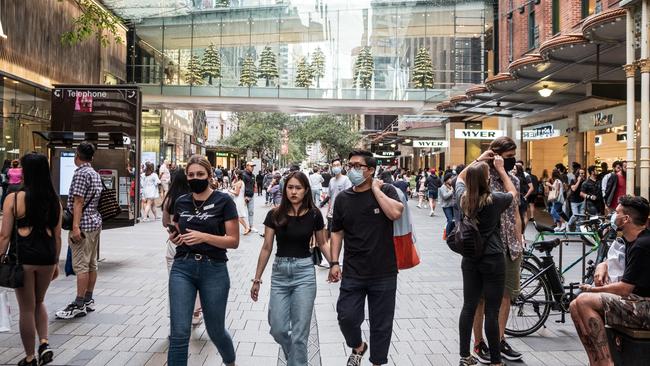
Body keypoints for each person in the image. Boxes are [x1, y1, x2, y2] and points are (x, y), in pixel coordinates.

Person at [328, 150, 404, 366]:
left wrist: (376, 190)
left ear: (370, 170)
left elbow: (395, 213)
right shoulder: (343, 198)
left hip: (384, 271)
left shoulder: (386, 189)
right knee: (346, 317)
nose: (351, 169)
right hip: (353, 271)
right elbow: (337, 232)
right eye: (349, 165)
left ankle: (377, 361)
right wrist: (334, 262)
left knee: (381, 325)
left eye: (357, 166)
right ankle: (358, 346)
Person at [250, 171, 331, 366]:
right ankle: (293, 356)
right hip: (280, 273)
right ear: (285, 189)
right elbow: (267, 247)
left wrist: (335, 264)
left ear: (305, 190)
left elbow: (322, 243)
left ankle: (296, 362)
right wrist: (257, 279)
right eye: (290, 187)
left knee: (300, 334)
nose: (294, 192)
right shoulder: (275, 214)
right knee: (277, 328)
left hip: (304, 273)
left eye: (298, 188)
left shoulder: (314, 214)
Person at [166, 155, 239, 366]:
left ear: (209, 175)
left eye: (200, 174)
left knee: (216, 330)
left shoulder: (223, 201)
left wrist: (204, 236)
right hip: (183, 267)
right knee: (179, 333)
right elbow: (179, 230)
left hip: (213, 269)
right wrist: (175, 236)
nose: (195, 178)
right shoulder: (182, 202)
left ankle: (230, 361)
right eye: (191, 175)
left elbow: (233, 241)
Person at [569, 195, 650, 366]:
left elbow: (624, 289)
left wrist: (591, 290)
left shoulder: (642, 244)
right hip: (636, 302)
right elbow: (615, 259)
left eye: (617, 212)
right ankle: (595, 361)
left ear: (626, 219)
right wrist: (602, 265)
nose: (613, 215)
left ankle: (606, 362)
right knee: (574, 306)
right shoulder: (630, 241)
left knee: (584, 300)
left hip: (645, 306)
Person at [455, 153, 517, 366]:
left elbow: (459, 179)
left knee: (469, 306)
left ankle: (465, 356)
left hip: (470, 259)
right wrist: (501, 169)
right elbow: (513, 193)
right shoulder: (495, 200)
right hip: (493, 259)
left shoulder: (462, 198)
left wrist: (478, 159)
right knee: (492, 309)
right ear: (487, 180)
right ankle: (496, 361)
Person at [0, 153, 61, 366]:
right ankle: (44, 343)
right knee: (39, 301)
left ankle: (29, 357)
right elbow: (57, 235)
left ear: (26, 171)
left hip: (24, 258)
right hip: (46, 256)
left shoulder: (13, 198)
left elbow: (5, 235)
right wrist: (55, 262)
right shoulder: (53, 199)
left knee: (26, 308)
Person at [472, 137, 524, 364]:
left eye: (513, 156)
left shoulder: (513, 178)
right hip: (487, 246)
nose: (512, 161)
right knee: (481, 299)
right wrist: (480, 160)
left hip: (511, 244)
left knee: (506, 296)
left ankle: (499, 339)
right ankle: (479, 342)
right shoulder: (481, 177)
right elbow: (461, 182)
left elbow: (515, 211)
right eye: (508, 156)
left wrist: (520, 238)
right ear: (496, 155)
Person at [56, 142, 103, 320]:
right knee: (91, 263)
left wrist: (75, 226)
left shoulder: (81, 174)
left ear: (77, 155)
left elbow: (78, 201)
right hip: (95, 223)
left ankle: (79, 303)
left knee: (81, 265)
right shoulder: (94, 173)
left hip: (83, 225)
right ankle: (88, 299)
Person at [161, 168, 203, 326]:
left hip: (173, 244)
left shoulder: (170, 199)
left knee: (175, 284)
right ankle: (194, 313)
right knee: (194, 282)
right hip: (192, 244)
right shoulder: (192, 199)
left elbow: (165, 223)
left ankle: (175, 318)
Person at [325, 158, 352, 237]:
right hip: (331, 214)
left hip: (342, 213)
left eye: (337, 165)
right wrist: (327, 212)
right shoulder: (331, 180)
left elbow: (348, 197)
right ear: (331, 167)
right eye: (334, 165)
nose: (336, 167)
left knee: (341, 236)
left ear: (341, 166)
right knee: (331, 236)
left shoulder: (346, 179)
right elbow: (330, 197)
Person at [228, 170, 251, 235]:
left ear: (237, 175)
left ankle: (246, 227)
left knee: (238, 216)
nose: (234, 175)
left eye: (235, 174)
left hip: (238, 200)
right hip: (240, 199)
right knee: (236, 215)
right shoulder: (241, 182)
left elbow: (237, 193)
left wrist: (230, 191)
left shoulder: (239, 183)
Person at [514, 165, 533, 234]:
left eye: (514, 169)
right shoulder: (524, 177)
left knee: (518, 216)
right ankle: (522, 233)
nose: (513, 170)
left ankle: (520, 232)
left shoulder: (516, 179)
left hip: (518, 197)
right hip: (523, 197)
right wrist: (525, 196)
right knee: (524, 215)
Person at [439, 172, 456, 236]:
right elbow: (445, 196)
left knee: (453, 221)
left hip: (452, 206)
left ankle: (451, 234)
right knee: (450, 220)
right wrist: (452, 191)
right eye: (450, 178)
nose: (452, 180)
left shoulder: (451, 186)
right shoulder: (442, 187)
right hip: (446, 206)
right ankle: (447, 234)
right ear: (446, 179)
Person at [242, 161, 256, 232]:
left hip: (251, 196)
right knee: (242, 213)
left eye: (253, 166)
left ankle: (251, 226)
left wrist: (253, 192)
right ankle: (246, 227)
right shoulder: (243, 175)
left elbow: (253, 185)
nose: (252, 168)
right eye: (251, 166)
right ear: (247, 166)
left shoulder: (253, 176)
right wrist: (244, 196)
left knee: (251, 212)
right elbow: (242, 186)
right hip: (245, 196)